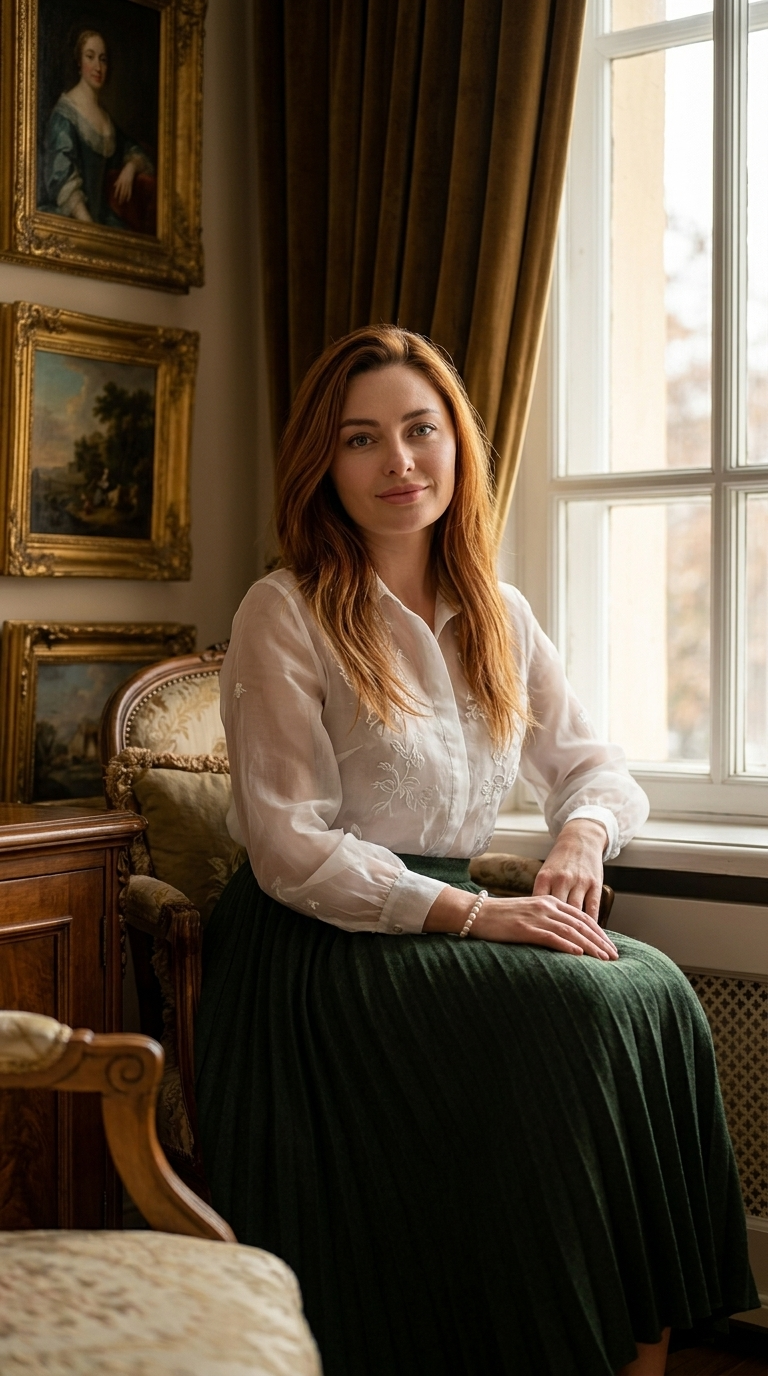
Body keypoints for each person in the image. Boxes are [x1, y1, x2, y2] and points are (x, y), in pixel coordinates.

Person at [195, 325, 757, 1376]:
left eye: (421, 430)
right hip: (312, 948)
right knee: (584, 1011)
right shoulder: (284, 609)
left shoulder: (501, 613)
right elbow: (288, 847)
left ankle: (647, 1339)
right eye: (363, 440)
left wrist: (582, 835)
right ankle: (561, 1337)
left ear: (458, 444)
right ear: (325, 464)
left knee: (658, 990)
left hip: (444, 921)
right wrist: (477, 912)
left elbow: (599, 767)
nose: (399, 462)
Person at [40, 30, 154, 231]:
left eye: (103, 59)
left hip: (101, 216)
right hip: (74, 216)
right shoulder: (65, 113)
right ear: (78, 62)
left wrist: (130, 168)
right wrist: (89, 227)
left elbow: (131, 148)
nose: (98, 67)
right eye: (90, 57)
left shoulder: (105, 119)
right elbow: (61, 177)